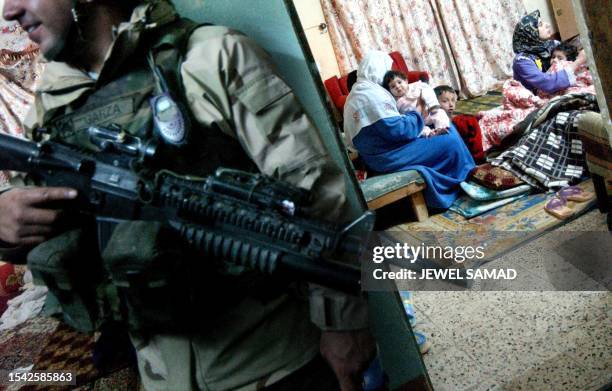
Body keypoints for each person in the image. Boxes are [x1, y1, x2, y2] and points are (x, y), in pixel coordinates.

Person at [0, 0, 376, 390]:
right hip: (158, 374)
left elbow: (317, 196)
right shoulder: (51, 104)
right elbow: (34, 212)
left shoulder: (212, 55)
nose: (9, 11)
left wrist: (344, 324)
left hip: (274, 364)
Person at [343, 50, 475, 209]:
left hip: (383, 152)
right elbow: (399, 130)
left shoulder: (359, 91)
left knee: (441, 127)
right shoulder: (370, 95)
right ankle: (465, 179)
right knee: (449, 139)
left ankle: (467, 174)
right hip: (389, 155)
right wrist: (416, 112)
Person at [512, 10, 586, 94]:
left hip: (557, 87)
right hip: (535, 95)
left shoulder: (552, 44)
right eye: (540, 24)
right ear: (530, 33)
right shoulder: (522, 61)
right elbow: (546, 84)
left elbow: (570, 59)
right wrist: (578, 61)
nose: (547, 25)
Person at [382, 70, 450, 134]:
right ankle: (430, 133)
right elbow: (399, 115)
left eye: (399, 82)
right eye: (393, 86)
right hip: (416, 121)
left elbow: (427, 88)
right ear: (390, 91)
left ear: (406, 81)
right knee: (416, 130)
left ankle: (441, 128)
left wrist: (432, 105)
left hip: (429, 113)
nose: (397, 86)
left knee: (440, 113)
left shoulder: (415, 86)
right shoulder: (395, 101)